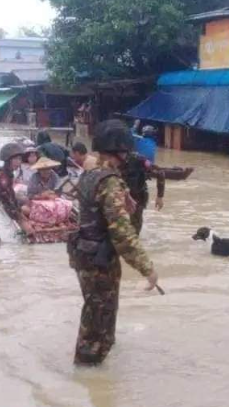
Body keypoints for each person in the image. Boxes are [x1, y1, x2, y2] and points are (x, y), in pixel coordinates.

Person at [67, 119, 160, 366]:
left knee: (97, 313)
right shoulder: (109, 181)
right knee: (98, 323)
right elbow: (122, 234)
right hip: (99, 259)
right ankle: (88, 377)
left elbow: (91, 211)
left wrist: (123, 196)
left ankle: (95, 372)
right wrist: (147, 268)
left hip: (83, 254)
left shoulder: (90, 174)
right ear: (121, 150)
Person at [120, 151, 165, 235]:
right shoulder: (108, 160)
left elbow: (160, 173)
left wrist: (160, 197)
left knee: (135, 227)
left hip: (138, 195)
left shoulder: (139, 160)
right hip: (119, 194)